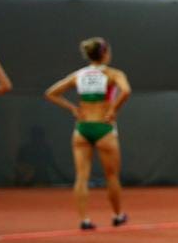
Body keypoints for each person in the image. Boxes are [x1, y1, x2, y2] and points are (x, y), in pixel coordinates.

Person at [44, 37, 131, 230]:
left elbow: (50, 92)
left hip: (82, 129)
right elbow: (126, 91)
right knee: (112, 176)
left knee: (81, 176)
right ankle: (117, 215)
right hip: (103, 128)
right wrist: (113, 110)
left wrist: (72, 109)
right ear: (105, 53)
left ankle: (84, 219)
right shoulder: (113, 74)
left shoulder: (79, 75)